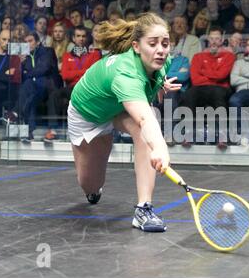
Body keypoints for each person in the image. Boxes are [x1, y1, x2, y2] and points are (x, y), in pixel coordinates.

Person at [68, 12, 181, 232]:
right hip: (88, 115)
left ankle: (144, 209)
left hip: (118, 107)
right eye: (153, 43)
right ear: (136, 47)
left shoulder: (162, 60)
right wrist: (160, 148)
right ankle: (93, 188)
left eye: (165, 43)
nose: (160, 49)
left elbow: (146, 116)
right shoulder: (125, 73)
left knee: (143, 132)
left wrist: (161, 84)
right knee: (90, 184)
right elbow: (143, 116)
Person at [44, 26, 101, 143]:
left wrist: (75, 73)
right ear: (74, 39)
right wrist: (84, 71)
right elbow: (65, 75)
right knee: (54, 95)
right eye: (78, 36)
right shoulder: (67, 56)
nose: (81, 39)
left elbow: (93, 74)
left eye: (83, 36)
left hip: (87, 88)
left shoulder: (94, 54)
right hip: (72, 88)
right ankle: (53, 130)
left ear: (87, 38)